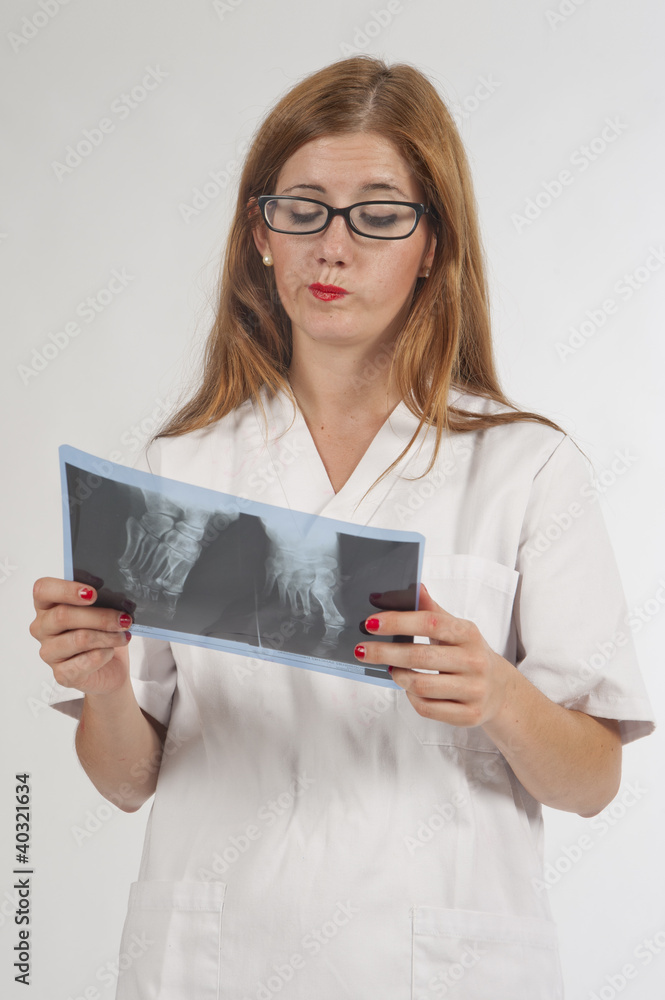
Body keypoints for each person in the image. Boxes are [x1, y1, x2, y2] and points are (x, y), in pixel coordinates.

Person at [30, 56, 654, 999]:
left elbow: (593, 782)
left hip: (436, 967)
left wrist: (497, 695)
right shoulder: (181, 468)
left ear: (433, 243)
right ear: (260, 233)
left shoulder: (526, 467)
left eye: (379, 215)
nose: (333, 248)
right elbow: (125, 781)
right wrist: (107, 684)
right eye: (303, 210)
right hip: (214, 964)